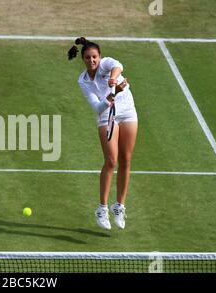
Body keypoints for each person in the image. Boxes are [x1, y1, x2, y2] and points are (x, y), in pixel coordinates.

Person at [68, 37, 138, 230]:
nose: (92, 60)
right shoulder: (83, 81)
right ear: (83, 59)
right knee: (111, 161)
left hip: (127, 109)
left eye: (95, 57)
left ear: (99, 57)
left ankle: (119, 206)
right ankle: (102, 209)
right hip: (107, 113)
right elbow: (98, 106)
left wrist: (113, 79)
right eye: (88, 58)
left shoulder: (106, 64)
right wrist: (113, 92)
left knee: (126, 158)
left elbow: (118, 65)